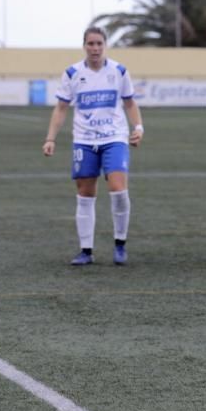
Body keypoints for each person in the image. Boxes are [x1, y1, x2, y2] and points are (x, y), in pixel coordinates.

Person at [43, 26, 144, 266]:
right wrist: (50, 138)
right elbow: (61, 108)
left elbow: (130, 104)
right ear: (84, 45)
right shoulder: (72, 73)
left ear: (105, 45)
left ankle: (120, 244)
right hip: (84, 141)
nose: (95, 48)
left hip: (114, 138)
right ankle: (86, 251)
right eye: (91, 44)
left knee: (119, 189)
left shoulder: (119, 71)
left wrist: (138, 128)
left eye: (99, 43)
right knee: (85, 194)